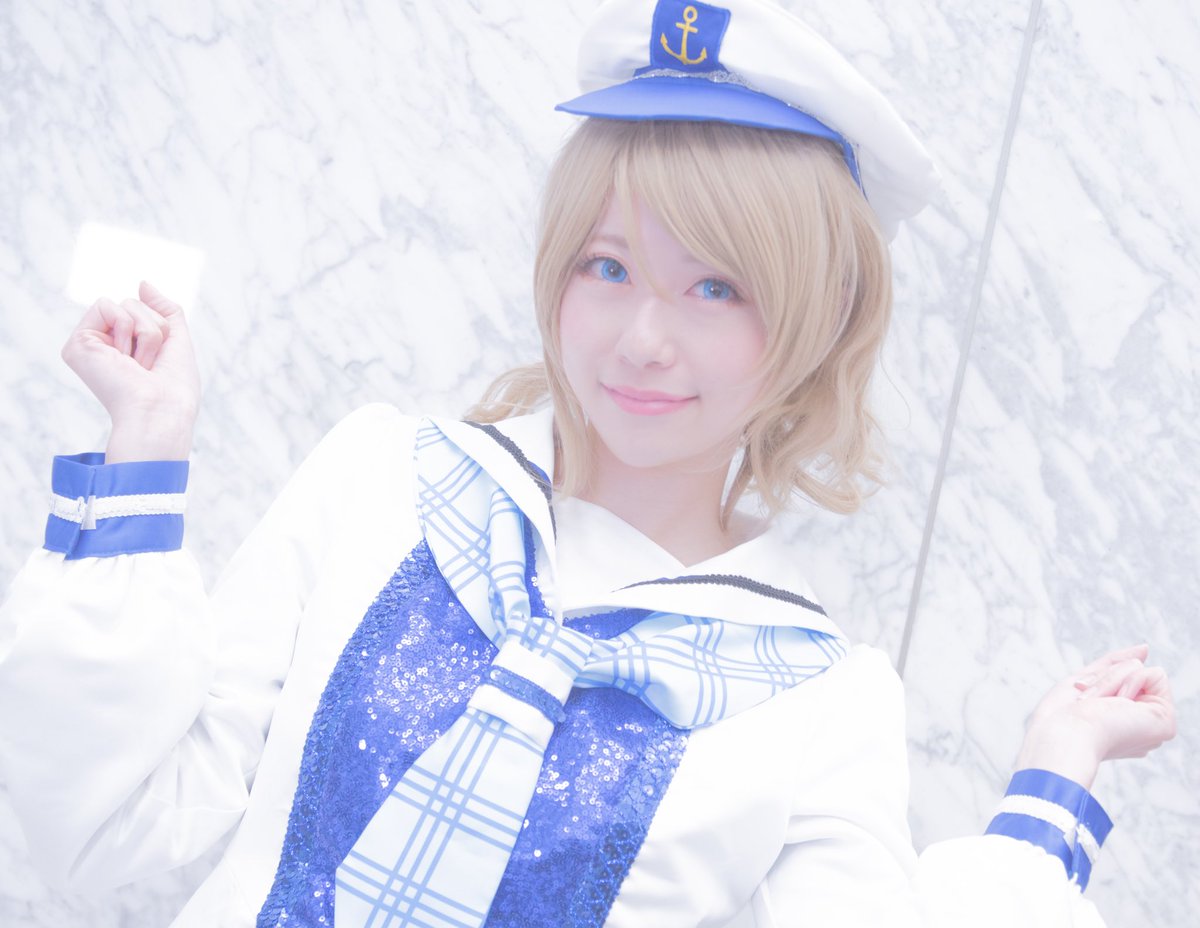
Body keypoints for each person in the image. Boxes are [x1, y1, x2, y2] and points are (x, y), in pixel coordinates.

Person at [0, 0, 1176, 925]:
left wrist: (1051, 783)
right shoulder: (382, 479)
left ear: (815, 324)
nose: (642, 338)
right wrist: (144, 449)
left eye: (716, 287)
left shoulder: (821, 697)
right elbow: (111, 816)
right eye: (608, 266)